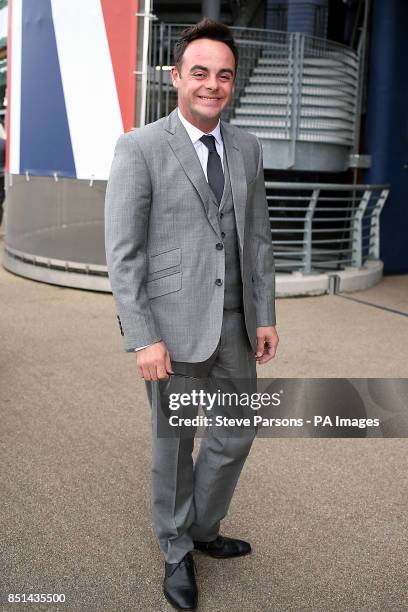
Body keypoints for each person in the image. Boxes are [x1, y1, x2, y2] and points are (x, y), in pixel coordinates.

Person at [105, 18, 279, 611]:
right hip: (172, 332)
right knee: (175, 445)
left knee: (236, 433)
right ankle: (176, 548)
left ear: (233, 83)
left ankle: (203, 527)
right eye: (200, 73)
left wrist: (265, 314)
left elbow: (257, 238)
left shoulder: (249, 146)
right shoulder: (141, 147)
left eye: (223, 75)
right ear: (176, 77)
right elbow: (124, 254)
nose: (212, 85)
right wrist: (143, 337)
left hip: (236, 324)